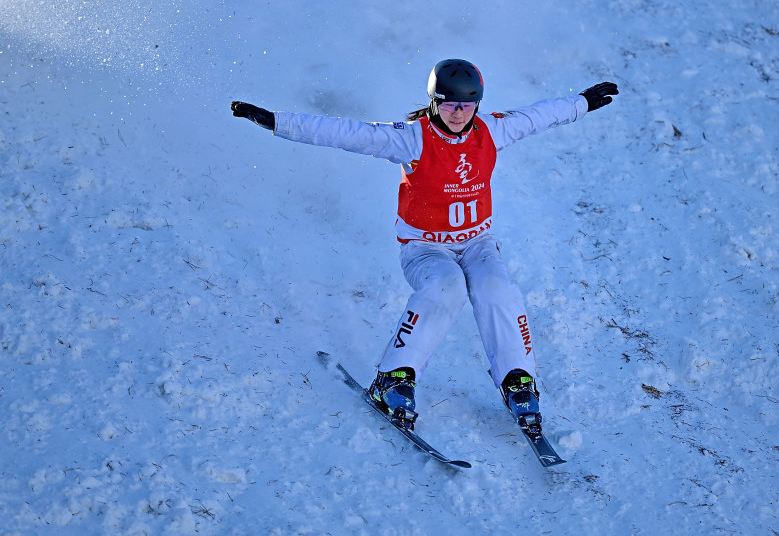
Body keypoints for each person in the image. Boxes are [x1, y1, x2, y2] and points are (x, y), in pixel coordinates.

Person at [231, 59, 618, 433]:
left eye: (467, 105)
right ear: (435, 101)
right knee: (445, 288)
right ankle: (393, 379)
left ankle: (518, 381)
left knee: (496, 289)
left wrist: (581, 102)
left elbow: (538, 116)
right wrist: (275, 121)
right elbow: (344, 132)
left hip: (478, 243)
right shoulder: (411, 137)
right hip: (425, 248)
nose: (458, 113)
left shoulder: (490, 130)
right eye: (450, 103)